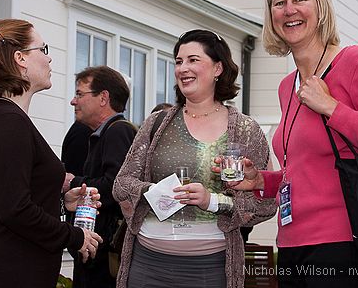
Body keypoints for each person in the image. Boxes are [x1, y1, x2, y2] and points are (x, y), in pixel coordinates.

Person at [227, 0, 358, 287]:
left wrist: (332, 107)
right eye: (279, 2)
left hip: (344, 247)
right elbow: (305, 171)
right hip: (290, 247)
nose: (289, 10)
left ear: (321, 7)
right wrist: (262, 180)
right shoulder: (287, 86)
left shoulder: (357, 63)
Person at [113, 29, 277, 288]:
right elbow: (121, 184)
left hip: (209, 269)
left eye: (193, 60)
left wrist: (211, 201)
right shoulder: (156, 124)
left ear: (217, 68)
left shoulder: (246, 130)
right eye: (179, 61)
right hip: (147, 264)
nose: (182, 68)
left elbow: (266, 203)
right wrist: (156, 192)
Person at [0, 18, 103, 288]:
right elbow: (15, 210)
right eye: (43, 49)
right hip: (11, 274)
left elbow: (13, 197)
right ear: (20, 58)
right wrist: (75, 237)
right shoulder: (8, 121)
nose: (49, 60)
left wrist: (62, 202)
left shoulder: (7, 117)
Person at [64, 66, 137, 288]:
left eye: (79, 94)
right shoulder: (105, 133)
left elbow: (116, 186)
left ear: (103, 97)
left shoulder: (117, 131)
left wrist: (72, 183)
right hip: (98, 252)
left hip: (104, 256)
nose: (73, 101)